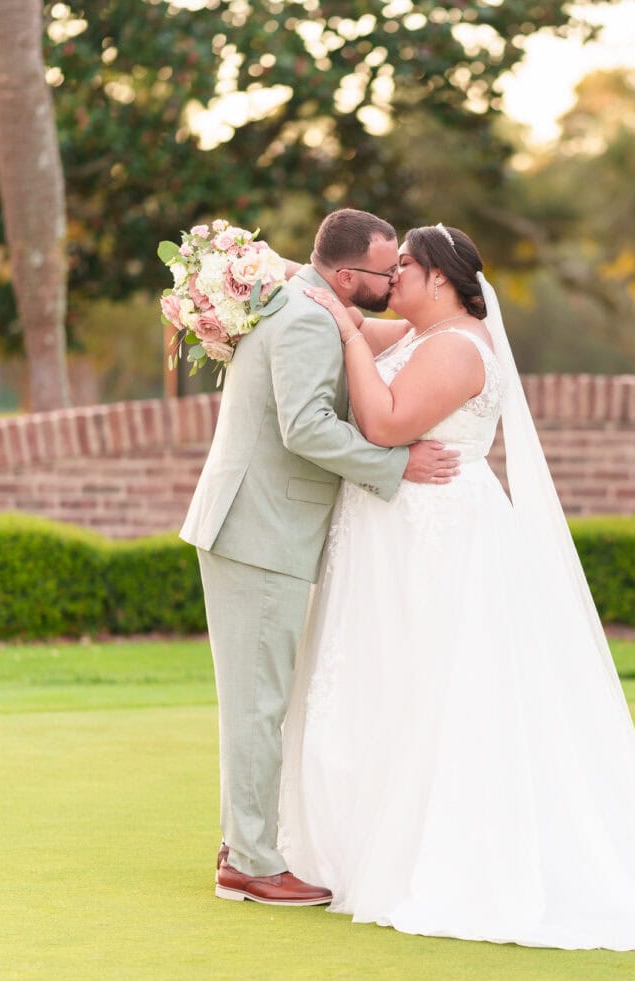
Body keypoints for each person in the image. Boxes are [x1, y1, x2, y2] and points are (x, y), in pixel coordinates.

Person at [283, 223, 635, 949]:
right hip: (390, 539)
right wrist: (264, 274)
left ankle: (434, 848)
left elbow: (385, 422)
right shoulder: (422, 336)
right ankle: (349, 843)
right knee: (385, 678)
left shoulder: (457, 348)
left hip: (439, 539)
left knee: (436, 684)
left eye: (405, 271)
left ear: (441, 281)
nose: (393, 280)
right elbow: (350, 310)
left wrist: (352, 336)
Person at [179, 209, 460, 907]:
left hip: (257, 526)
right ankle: (250, 861)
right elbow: (306, 427)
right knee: (257, 704)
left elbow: (414, 334)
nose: (395, 278)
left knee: (255, 698)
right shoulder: (307, 317)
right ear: (345, 275)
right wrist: (394, 465)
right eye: (385, 270)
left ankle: (239, 841)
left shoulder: (307, 300)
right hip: (258, 530)